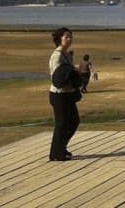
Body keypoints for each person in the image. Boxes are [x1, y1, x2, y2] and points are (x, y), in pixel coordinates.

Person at [48, 27, 80, 161]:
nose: (69, 39)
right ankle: (56, 153)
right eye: (66, 36)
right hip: (59, 94)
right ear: (59, 39)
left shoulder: (66, 53)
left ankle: (61, 147)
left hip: (68, 93)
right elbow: (57, 79)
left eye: (70, 36)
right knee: (61, 123)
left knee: (74, 121)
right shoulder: (57, 55)